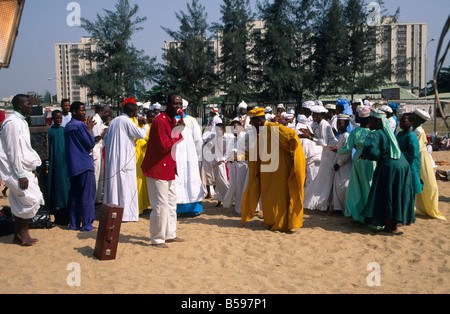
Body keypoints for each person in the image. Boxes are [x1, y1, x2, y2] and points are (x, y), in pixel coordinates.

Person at [241, 108, 306, 232]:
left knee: (278, 198)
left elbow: (292, 136)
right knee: (269, 198)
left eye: (252, 122)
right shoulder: (262, 132)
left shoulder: (273, 128)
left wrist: (293, 154)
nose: (251, 125)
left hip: (279, 172)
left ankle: (280, 224)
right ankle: (272, 222)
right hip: (267, 173)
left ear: (258, 121)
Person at [360, 109, 415, 234]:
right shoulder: (390, 133)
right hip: (403, 165)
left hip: (389, 167)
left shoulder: (376, 134)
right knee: (398, 193)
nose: (369, 123)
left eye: (370, 120)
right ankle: (397, 223)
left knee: (387, 194)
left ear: (376, 121)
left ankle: (389, 226)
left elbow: (372, 151)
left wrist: (365, 155)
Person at [141, 93, 186, 248]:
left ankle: (169, 234)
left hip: (168, 167)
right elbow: (164, 146)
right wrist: (178, 132)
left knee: (171, 202)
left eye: (180, 104)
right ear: (167, 104)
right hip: (157, 168)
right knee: (160, 205)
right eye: (175, 104)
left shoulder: (171, 120)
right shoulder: (160, 121)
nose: (178, 107)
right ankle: (157, 238)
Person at [0, 94, 44, 245]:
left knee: (22, 201)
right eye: (28, 104)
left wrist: (31, 167)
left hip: (24, 169)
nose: (30, 106)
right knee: (32, 199)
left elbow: (24, 149)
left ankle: (19, 235)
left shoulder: (21, 122)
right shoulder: (12, 123)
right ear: (20, 105)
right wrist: (20, 174)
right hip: (15, 170)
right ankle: (22, 233)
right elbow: (13, 151)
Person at [103, 98, 150, 222]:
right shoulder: (127, 121)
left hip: (113, 160)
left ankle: (114, 213)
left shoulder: (114, 121)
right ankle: (126, 215)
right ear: (133, 111)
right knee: (126, 188)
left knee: (115, 188)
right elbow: (140, 135)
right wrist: (145, 125)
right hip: (124, 160)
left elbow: (106, 139)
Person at [336, 106, 376, 223]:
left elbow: (348, 148)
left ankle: (358, 214)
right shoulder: (374, 132)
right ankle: (371, 214)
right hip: (370, 161)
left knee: (357, 188)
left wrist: (337, 150)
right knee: (369, 185)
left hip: (358, 161)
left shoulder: (355, 132)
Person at [64, 101, 97, 232]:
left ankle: (74, 224)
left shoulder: (68, 126)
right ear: (74, 111)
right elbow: (90, 143)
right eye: (81, 110)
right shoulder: (80, 126)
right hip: (84, 165)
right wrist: (89, 130)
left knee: (75, 196)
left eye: (84, 110)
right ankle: (87, 224)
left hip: (73, 165)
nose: (84, 112)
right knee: (87, 196)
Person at [410, 109, 445, 220]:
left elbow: (417, 148)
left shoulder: (418, 131)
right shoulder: (415, 129)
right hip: (420, 156)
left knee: (424, 180)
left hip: (420, 158)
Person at [302, 105, 338, 211]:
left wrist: (309, 137)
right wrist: (310, 134)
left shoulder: (324, 124)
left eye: (316, 115)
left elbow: (323, 142)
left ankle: (325, 201)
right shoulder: (319, 124)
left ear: (321, 115)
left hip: (330, 152)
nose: (314, 116)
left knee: (326, 176)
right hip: (326, 152)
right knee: (323, 176)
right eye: (313, 114)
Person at [174, 99, 205, 217]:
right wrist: (196, 154)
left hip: (184, 153)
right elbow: (198, 140)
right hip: (185, 154)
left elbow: (197, 139)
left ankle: (189, 208)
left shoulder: (191, 121)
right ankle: (187, 208)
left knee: (187, 178)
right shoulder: (191, 120)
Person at [47, 110, 71, 226]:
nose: (59, 120)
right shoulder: (50, 131)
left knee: (66, 188)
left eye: (60, 118)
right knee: (57, 187)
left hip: (65, 163)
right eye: (56, 118)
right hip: (55, 163)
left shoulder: (64, 130)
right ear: (52, 118)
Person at [397, 113, 423, 208]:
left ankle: (408, 215)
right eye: (401, 121)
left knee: (409, 190)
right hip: (401, 165)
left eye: (404, 121)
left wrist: (399, 155)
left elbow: (413, 154)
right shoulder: (400, 134)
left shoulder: (411, 136)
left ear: (411, 123)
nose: (401, 123)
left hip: (410, 166)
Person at [131, 109, 154, 215]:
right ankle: (139, 207)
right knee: (139, 182)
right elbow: (140, 139)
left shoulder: (152, 126)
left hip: (146, 156)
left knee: (145, 182)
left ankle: (145, 205)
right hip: (138, 156)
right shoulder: (137, 126)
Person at [329, 114, 353, 214]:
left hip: (345, 166)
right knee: (338, 187)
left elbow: (347, 152)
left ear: (346, 123)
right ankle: (337, 208)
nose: (338, 125)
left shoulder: (347, 135)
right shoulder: (341, 135)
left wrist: (339, 163)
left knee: (344, 187)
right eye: (337, 123)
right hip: (339, 166)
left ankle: (343, 209)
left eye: (341, 123)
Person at [92, 105, 111, 205]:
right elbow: (96, 138)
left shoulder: (100, 121)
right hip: (95, 150)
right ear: (104, 112)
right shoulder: (95, 120)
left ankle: (98, 198)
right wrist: (104, 131)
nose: (108, 116)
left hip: (100, 150)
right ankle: (93, 199)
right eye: (108, 114)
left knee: (100, 176)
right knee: (95, 175)